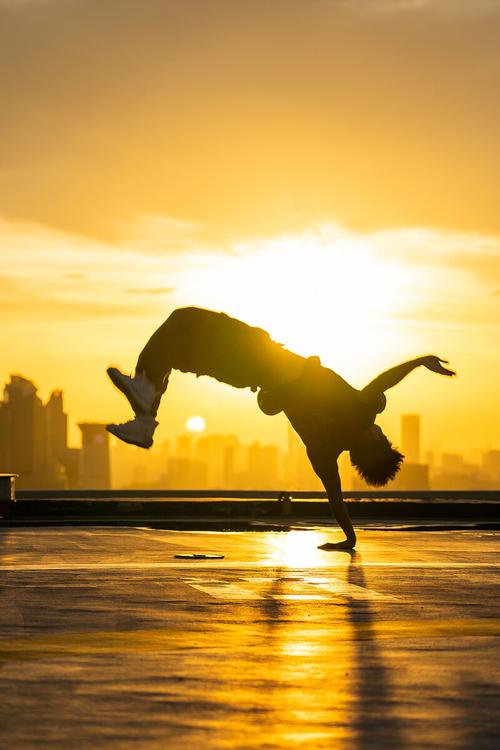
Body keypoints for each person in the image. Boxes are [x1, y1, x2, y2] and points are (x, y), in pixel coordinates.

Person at [106, 307, 456, 549]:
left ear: (374, 443)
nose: (382, 431)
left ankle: (146, 401)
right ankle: (144, 418)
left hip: (260, 357)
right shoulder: (323, 453)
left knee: (183, 322)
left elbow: (384, 380)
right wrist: (349, 537)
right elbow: (335, 498)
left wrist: (420, 361)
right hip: (248, 376)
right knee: (179, 350)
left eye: (383, 438)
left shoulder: (361, 413)